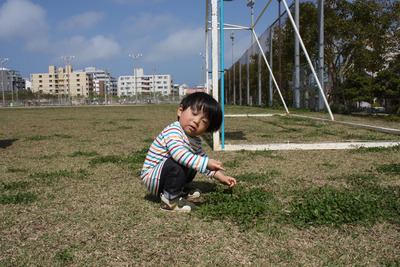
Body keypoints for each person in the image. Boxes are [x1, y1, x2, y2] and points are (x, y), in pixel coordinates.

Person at [141, 92, 237, 212]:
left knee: (195, 160)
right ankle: (170, 199)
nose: (196, 121)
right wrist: (205, 163)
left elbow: (203, 162)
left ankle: (180, 189)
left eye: (204, 122)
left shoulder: (195, 141)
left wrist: (221, 177)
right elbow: (179, 154)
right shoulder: (174, 130)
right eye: (194, 113)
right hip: (153, 178)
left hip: (163, 178)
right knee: (183, 160)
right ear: (180, 111)